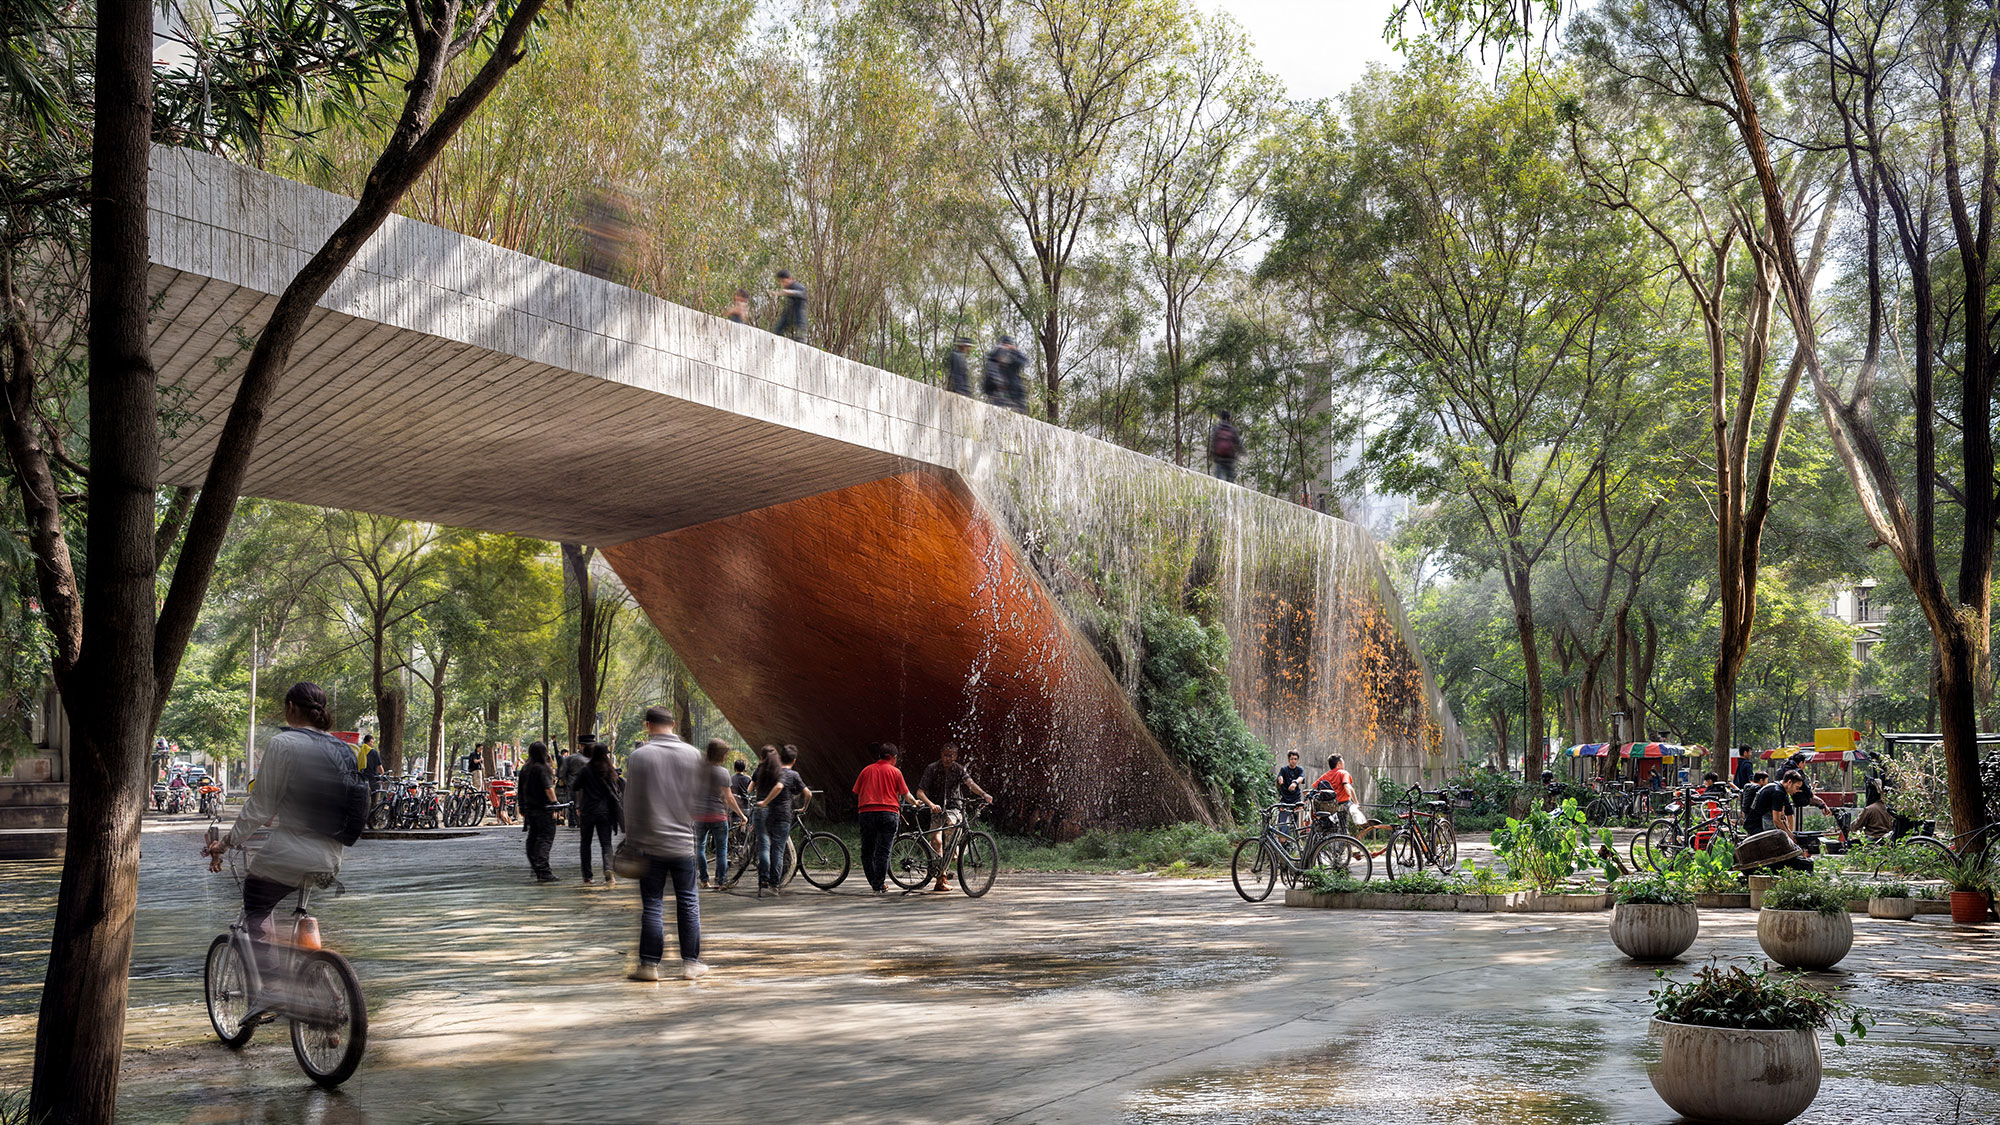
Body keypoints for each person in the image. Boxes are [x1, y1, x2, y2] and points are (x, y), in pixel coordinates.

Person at [201, 682, 352, 964]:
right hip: (332, 858)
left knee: (256, 896)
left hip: (293, 852)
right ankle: (311, 973)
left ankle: (269, 980)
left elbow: (260, 807)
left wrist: (225, 844)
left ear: (290, 707)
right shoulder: (343, 749)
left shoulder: (283, 743)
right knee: (296, 903)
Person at [624, 706, 708, 982]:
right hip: (683, 844)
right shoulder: (693, 755)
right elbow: (698, 800)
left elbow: (631, 804)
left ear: (647, 725)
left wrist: (632, 841)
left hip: (650, 844)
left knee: (652, 904)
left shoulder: (639, 757)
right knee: (688, 901)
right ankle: (690, 965)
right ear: (673, 724)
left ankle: (649, 966)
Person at [915, 743, 991, 893]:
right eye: (945, 755)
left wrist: (983, 794)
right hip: (936, 808)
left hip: (954, 807)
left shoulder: (959, 769)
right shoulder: (932, 768)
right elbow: (920, 792)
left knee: (951, 825)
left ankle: (952, 853)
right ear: (941, 754)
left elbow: (970, 784)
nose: (948, 758)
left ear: (955, 756)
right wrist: (931, 805)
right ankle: (940, 878)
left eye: (951, 756)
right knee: (936, 840)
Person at [853, 743, 912, 893]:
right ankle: (878, 884)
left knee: (867, 852)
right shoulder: (895, 772)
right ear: (894, 757)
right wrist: (916, 803)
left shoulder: (866, 770)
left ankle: (875, 883)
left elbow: (857, 791)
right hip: (888, 814)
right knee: (883, 852)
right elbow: (906, 794)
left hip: (866, 813)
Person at [754, 744, 812, 897]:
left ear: (780, 757)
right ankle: (774, 885)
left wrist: (765, 803)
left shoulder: (773, 770)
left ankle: (763, 879)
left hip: (768, 815)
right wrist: (804, 807)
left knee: (766, 847)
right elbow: (808, 793)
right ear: (794, 760)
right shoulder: (792, 774)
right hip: (783, 815)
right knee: (778, 850)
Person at [696, 740, 746, 888]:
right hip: (718, 815)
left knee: (699, 848)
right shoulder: (723, 772)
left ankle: (704, 880)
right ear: (721, 755)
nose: (726, 757)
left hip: (699, 815)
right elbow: (728, 798)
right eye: (725, 754)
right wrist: (741, 815)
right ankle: (721, 881)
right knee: (721, 850)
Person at [575, 742, 624, 886]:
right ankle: (609, 871)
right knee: (606, 843)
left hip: (587, 811)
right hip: (605, 812)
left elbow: (575, 786)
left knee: (585, 843)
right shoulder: (609, 770)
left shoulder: (585, 770)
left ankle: (587, 876)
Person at [518, 742, 559, 883]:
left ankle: (536, 867)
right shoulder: (541, 768)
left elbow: (520, 790)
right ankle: (544, 870)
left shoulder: (525, 768)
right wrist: (555, 803)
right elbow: (548, 788)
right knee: (545, 838)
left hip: (530, 809)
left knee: (533, 838)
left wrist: (522, 807)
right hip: (544, 809)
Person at [982, 335, 1028, 412]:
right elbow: (990, 367)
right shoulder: (994, 356)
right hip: (996, 390)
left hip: (1012, 390)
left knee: (1020, 404)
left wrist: (1015, 351)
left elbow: (1025, 361)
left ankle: (1018, 406)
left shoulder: (1013, 358)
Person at [1313, 754, 1357, 834]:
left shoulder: (1325, 775)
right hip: (1342, 805)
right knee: (1343, 828)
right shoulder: (1343, 773)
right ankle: (1345, 840)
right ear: (1339, 763)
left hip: (1329, 807)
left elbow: (1314, 787)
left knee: (1332, 829)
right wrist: (1356, 802)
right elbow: (1347, 786)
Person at [557, 743, 589, 827]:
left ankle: (573, 823)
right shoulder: (592, 758)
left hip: (572, 786)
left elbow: (561, 774)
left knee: (572, 805)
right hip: (586, 788)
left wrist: (567, 781)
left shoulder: (570, 758)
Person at [771, 270, 808, 340]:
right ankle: (778, 332)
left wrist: (790, 292)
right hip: (791, 310)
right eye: (780, 282)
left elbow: (803, 293)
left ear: (789, 279)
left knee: (799, 316)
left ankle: (802, 336)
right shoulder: (789, 288)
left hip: (799, 308)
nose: (782, 284)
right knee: (784, 318)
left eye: (783, 281)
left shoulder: (797, 286)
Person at [1275, 750, 1306, 831]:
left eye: (1295, 759)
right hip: (1285, 800)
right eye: (1292, 759)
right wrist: (1280, 779)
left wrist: (1295, 783)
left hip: (1296, 800)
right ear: (1289, 760)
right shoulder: (1284, 769)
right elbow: (1280, 778)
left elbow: (1301, 777)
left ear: (1297, 760)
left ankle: (1296, 836)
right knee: (1282, 824)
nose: (1293, 761)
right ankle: (1284, 837)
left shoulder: (1300, 769)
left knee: (1296, 823)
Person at [1208, 411, 1241, 482]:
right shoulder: (1232, 430)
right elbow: (1237, 444)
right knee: (1230, 481)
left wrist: (1211, 454)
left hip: (1219, 459)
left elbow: (1213, 443)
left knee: (1219, 480)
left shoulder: (1217, 429)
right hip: (1230, 459)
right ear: (1229, 418)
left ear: (1221, 417)